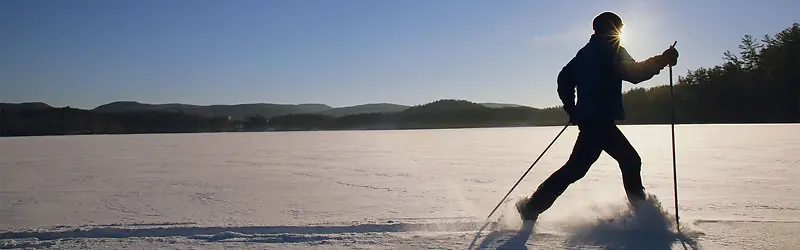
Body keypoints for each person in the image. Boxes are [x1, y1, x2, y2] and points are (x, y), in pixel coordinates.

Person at [516, 11, 679, 221]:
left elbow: (564, 78)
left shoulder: (585, 52)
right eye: (619, 27)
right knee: (627, 161)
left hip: (591, 120)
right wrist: (662, 60)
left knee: (578, 168)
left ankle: (532, 207)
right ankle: (643, 215)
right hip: (600, 121)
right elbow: (634, 73)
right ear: (613, 28)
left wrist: (572, 108)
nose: (620, 31)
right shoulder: (612, 50)